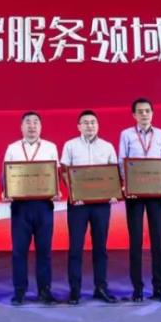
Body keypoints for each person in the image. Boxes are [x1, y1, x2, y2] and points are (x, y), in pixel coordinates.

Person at [59, 110, 119, 305]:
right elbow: (64, 172)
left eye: (93, 122)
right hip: (78, 205)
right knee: (75, 248)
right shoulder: (70, 145)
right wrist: (73, 194)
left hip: (101, 205)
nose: (89, 125)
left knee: (100, 248)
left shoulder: (107, 146)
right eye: (85, 122)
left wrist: (113, 192)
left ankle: (101, 288)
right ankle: (74, 291)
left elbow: (113, 173)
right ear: (79, 126)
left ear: (98, 125)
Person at [118, 98, 161, 303]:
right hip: (135, 194)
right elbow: (122, 161)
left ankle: (160, 288)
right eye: (140, 111)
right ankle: (137, 289)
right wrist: (127, 185)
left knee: (158, 241)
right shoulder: (126, 134)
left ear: (152, 113)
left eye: (147, 111)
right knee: (136, 241)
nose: (144, 114)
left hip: (156, 193)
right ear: (134, 115)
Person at [4, 111, 60, 305]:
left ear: (41, 127)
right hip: (20, 206)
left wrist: (55, 191)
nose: (32, 125)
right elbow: (6, 175)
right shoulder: (12, 148)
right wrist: (6, 191)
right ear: (21, 127)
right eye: (28, 122)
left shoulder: (50, 147)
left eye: (36, 122)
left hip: (44, 205)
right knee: (19, 251)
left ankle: (45, 291)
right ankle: (19, 291)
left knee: (44, 251)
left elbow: (55, 174)